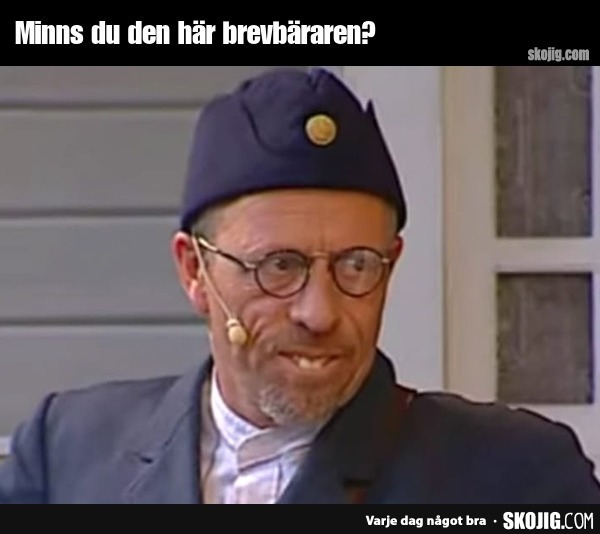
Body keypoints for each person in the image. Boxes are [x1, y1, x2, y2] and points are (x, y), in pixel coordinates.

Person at [0, 67, 599, 505]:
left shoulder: (514, 474)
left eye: (356, 265)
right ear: (195, 272)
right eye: (279, 266)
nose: (320, 312)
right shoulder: (66, 449)